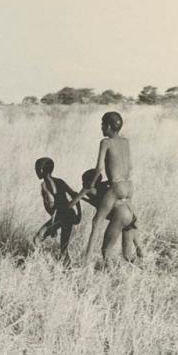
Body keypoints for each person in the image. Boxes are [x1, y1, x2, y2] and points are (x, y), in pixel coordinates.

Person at [69, 112, 135, 264]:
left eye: (102, 124)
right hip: (129, 186)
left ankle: (86, 261)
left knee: (96, 222)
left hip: (117, 185)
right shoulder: (126, 142)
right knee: (129, 220)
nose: (101, 128)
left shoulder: (106, 142)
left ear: (109, 126)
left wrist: (91, 184)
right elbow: (129, 166)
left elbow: (99, 168)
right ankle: (129, 254)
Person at [78, 169, 143, 266]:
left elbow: (83, 198)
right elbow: (98, 203)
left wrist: (77, 196)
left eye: (83, 181)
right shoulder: (105, 188)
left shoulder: (90, 190)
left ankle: (110, 273)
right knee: (127, 255)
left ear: (89, 182)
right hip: (131, 214)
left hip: (120, 217)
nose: (82, 184)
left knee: (106, 252)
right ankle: (143, 264)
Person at [33, 157, 81, 266]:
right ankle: (67, 268)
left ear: (41, 170)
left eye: (36, 168)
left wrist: (54, 224)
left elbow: (53, 204)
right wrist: (78, 214)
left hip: (60, 216)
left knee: (37, 239)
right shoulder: (59, 181)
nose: (36, 171)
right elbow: (75, 195)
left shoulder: (45, 185)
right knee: (64, 246)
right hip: (69, 214)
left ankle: (46, 263)